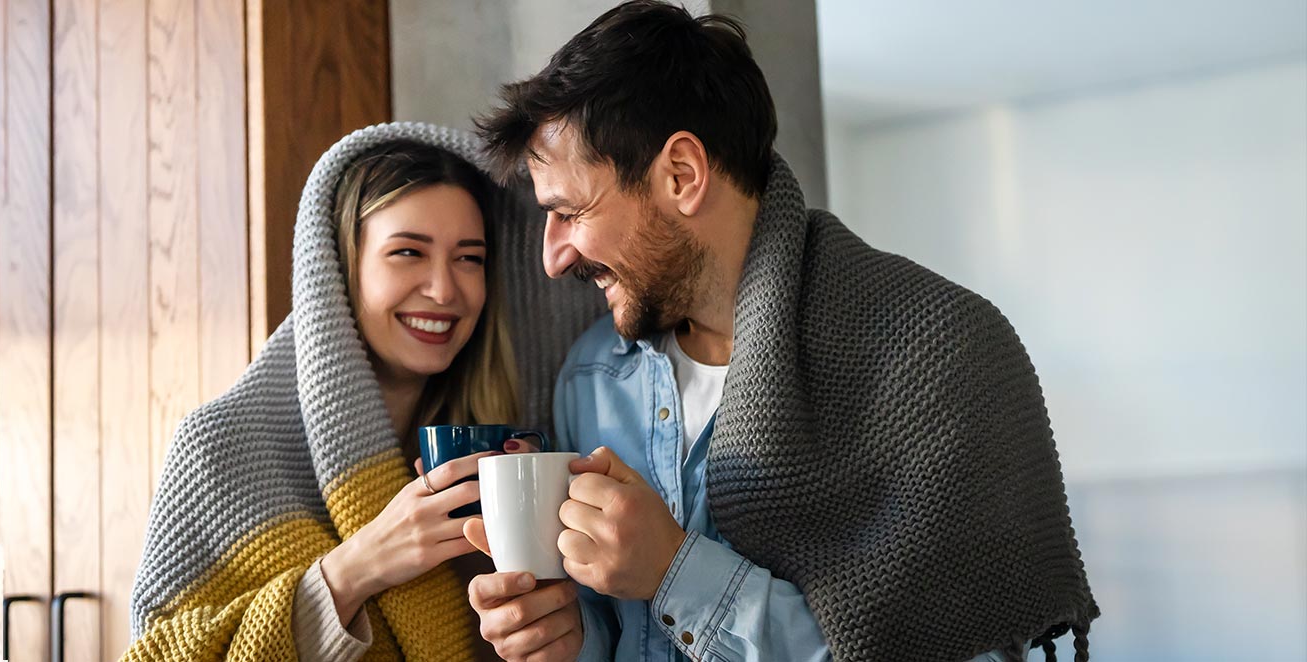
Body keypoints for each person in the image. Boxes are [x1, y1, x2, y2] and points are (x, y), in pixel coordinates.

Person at [462, 2, 1099, 662]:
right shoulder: (593, 376)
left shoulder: (943, 356)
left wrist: (676, 573)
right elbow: (618, 632)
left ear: (682, 174)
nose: (552, 257)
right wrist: (570, 640)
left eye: (570, 211)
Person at [123, 132, 596, 661]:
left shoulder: (509, 444)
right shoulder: (219, 449)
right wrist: (357, 568)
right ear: (341, 266)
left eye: (469, 258)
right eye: (408, 252)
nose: (444, 289)